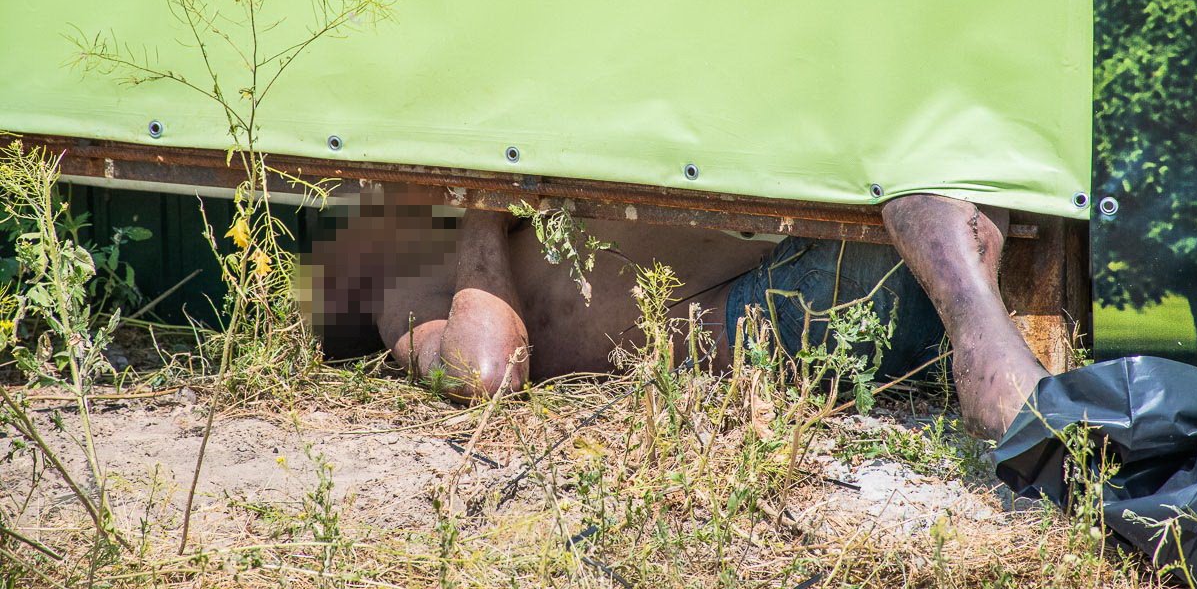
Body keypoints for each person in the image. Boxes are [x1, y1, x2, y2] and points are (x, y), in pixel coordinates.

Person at [300, 190, 1048, 441]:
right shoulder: (400, 291)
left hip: (835, 263)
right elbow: (484, 372)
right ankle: (972, 312)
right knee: (919, 216)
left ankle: (971, 306)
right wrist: (478, 210)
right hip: (796, 310)